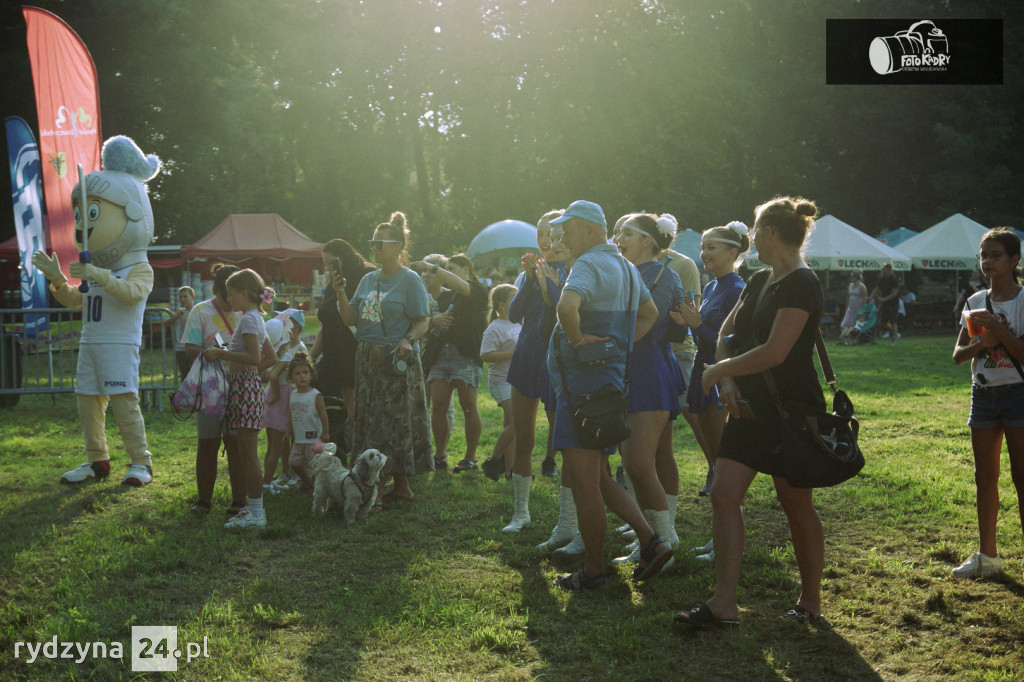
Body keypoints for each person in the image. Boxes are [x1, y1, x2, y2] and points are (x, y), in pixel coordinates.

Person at [675, 196, 825, 627]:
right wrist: (726, 380)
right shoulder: (760, 280)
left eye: (754, 231)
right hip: (747, 408)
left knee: (795, 505)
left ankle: (810, 603)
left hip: (789, 410)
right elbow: (726, 332)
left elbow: (776, 351)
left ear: (770, 234)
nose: (750, 238)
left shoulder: (801, 283)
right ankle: (724, 603)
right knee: (724, 495)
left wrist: (719, 369)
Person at [546, 200, 670, 591]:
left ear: (589, 229)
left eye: (568, 229)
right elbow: (650, 314)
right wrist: (618, 347)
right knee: (599, 476)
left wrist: (579, 340)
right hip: (609, 387)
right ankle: (652, 541)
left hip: (581, 391)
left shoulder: (587, 265)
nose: (563, 237)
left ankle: (595, 570)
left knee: (584, 482)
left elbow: (567, 306)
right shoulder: (627, 268)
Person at [30, 135, 160, 487]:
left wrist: (98, 274)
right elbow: (76, 300)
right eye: (80, 214)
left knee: (123, 404)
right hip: (90, 343)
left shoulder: (139, 267)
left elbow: (132, 294)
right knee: (87, 405)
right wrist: (57, 280)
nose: (82, 223)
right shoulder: (93, 270)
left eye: (91, 212)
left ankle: (141, 462)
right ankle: (96, 460)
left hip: (119, 344)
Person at [333, 211, 433, 504]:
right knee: (371, 420)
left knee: (398, 420)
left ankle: (399, 484)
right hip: (367, 358)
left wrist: (407, 340)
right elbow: (351, 317)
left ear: (398, 246)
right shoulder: (367, 279)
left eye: (380, 244)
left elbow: (423, 320)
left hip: (396, 359)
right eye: (372, 244)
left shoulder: (410, 280)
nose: (374, 249)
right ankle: (376, 483)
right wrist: (340, 294)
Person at [611, 212, 686, 566]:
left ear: (647, 241)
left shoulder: (656, 274)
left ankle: (662, 541)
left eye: (626, 232)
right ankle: (657, 537)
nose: (618, 238)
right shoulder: (640, 272)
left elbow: (653, 326)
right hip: (648, 368)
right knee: (654, 458)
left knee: (638, 464)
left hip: (646, 371)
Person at [951, 227, 1024, 579]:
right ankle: (988, 556)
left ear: (1014, 260)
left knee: (1022, 477)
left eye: (995, 255)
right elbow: (958, 356)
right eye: (984, 255)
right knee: (985, 477)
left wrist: (998, 329)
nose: (988, 261)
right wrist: (983, 342)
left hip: (1018, 394)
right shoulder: (974, 301)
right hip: (983, 396)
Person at [672, 221, 749, 534]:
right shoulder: (714, 285)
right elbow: (708, 334)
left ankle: (725, 532)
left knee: (722, 462)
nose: (704, 254)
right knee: (715, 461)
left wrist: (697, 324)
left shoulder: (737, 289)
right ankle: (719, 532)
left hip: (721, 378)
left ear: (733, 252)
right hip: (702, 372)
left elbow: (732, 342)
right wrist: (688, 323)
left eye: (712, 248)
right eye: (702, 248)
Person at [505, 210, 567, 539]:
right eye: (542, 233)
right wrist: (530, 279)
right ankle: (521, 512)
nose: (546, 240)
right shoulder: (530, 272)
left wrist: (550, 286)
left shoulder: (574, 270)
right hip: (527, 356)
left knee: (566, 443)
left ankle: (567, 522)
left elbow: (560, 316)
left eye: (554, 234)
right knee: (523, 437)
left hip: (558, 359)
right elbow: (513, 314)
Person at [204, 269, 273, 529]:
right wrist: (253, 374)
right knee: (247, 452)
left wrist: (221, 355)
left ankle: (256, 512)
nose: (229, 299)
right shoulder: (256, 318)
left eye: (232, 294)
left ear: (245, 294)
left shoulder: (247, 321)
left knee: (248, 454)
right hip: (248, 386)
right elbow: (271, 358)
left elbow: (255, 358)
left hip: (244, 388)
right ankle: (252, 509)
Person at [410, 254, 489, 473]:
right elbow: (424, 323)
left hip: (465, 356)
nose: (447, 273)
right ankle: (439, 455)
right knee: (439, 407)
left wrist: (431, 267)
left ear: (466, 269)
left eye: (451, 268)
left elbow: (463, 288)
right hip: (440, 356)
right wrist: (434, 320)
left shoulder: (477, 290)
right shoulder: (445, 298)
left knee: (468, 407)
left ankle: (470, 458)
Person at [312, 239, 375, 428]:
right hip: (335, 354)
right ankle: (355, 448)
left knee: (361, 407)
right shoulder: (334, 284)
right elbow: (327, 324)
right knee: (349, 407)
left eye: (332, 262)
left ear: (344, 258)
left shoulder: (367, 275)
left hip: (357, 350)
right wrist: (312, 355)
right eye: (326, 263)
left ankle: (364, 449)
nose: (329, 268)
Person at [479, 284, 521, 480]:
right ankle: (494, 460)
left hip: (515, 382)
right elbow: (485, 355)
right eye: (515, 298)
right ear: (502, 305)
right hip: (500, 382)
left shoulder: (518, 324)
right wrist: (511, 354)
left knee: (511, 426)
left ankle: (510, 470)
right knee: (518, 422)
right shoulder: (494, 328)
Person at [286, 351, 329, 493]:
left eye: (305, 372)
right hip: (299, 439)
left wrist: (326, 432)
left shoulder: (315, 395)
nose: (302, 376)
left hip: (313, 438)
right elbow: (291, 414)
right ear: (291, 377)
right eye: (297, 374)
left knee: (314, 464)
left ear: (311, 375)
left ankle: (315, 488)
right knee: (294, 462)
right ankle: (307, 481)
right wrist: (288, 431)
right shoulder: (293, 395)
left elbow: (323, 415)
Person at [157, 285, 195, 382]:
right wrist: (175, 317)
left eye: (185, 296)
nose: (182, 299)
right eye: (180, 297)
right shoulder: (179, 312)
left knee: (195, 373)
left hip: (195, 346)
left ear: (193, 297)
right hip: (181, 348)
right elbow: (165, 324)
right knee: (185, 374)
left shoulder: (197, 312)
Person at [872, 263, 901, 345]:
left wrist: (883, 299)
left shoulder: (894, 280)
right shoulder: (882, 279)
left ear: (889, 270)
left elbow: (894, 294)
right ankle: (896, 334)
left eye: (884, 270)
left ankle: (893, 341)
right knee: (882, 322)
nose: (882, 271)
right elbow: (876, 288)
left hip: (893, 303)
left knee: (893, 322)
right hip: (885, 303)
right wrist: (871, 296)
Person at [840, 270, 867, 337]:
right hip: (850, 307)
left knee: (855, 322)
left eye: (852, 277)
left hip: (858, 307)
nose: (851, 278)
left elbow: (864, 299)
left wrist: (862, 310)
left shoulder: (862, 286)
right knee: (846, 322)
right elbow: (848, 297)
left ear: (856, 277)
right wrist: (847, 307)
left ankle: (852, 335)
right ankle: (845, 335)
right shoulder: (850, 285)